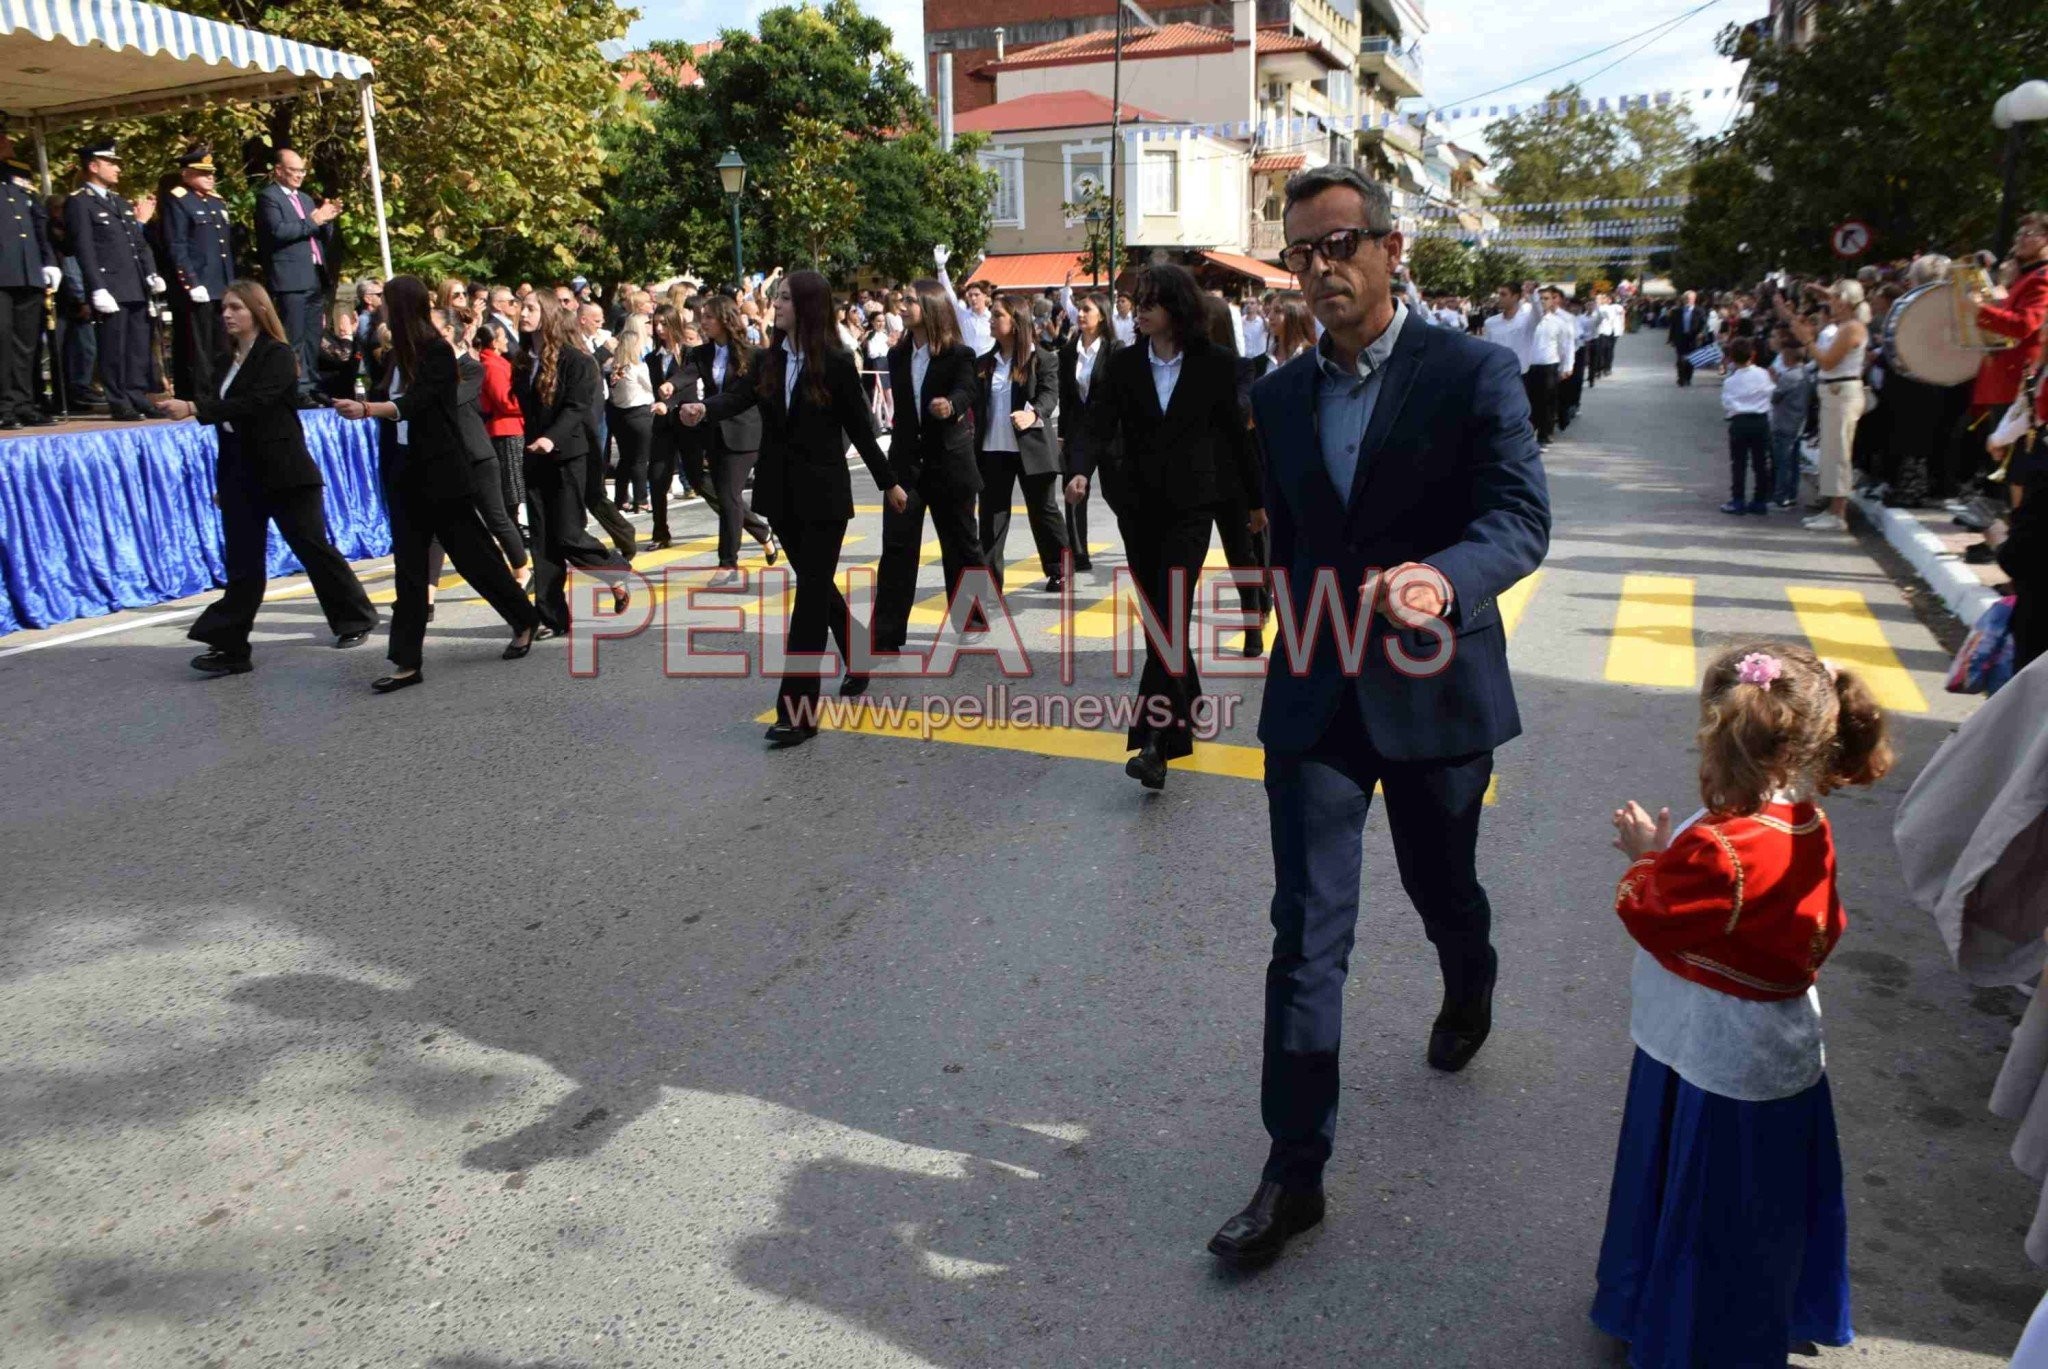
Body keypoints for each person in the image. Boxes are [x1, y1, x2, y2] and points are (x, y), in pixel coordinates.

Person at [1209, 164, 1550, 1268]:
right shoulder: (1274, 396)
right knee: (1305, 935)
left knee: (1438, 885)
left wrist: (1434, 581)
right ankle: (1291, 1170)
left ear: (1391, 249)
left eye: (1339, 244)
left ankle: (1469, 974)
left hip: (1434, 681)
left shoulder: (1474, 372)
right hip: (1316, 692)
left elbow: (1516, 521)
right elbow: (1293, 538)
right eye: (1300, 252)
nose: (1319, 270)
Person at [1595, 642, 1892, 1365]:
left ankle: (1690, 1335)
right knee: (1762, 1201)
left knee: (1705, 1201)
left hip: (1712, 1048)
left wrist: (1645, 854)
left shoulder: (1722, 848)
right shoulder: (1806, 823)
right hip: (1778, 1039)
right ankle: (1772, 1307)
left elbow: (1651, 909)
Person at [682, 269, 906, 745]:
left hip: (824, 496)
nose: (775, 305)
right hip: (781, 497)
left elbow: (862, 429)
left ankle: (797, 712)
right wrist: (704, 410)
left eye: (783, 298)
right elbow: (738, 397)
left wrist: (889, 483)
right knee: (816, 585)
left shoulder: (839, 363)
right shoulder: (768, 359)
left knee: (807, 604)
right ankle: (858, 652)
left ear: (805, 306)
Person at [1089, 262, 1261, 791]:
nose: (1137, 311)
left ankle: (1154, 745)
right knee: (1160, 619)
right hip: (1138, 512)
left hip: (1191, 510)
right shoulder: (1122, 365)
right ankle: (1187, 696)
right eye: (1136, 302)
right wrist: (1077, 473)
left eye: (1148, 303)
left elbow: (1236, 437)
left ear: (1175, 309)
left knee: (1170, 618)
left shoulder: (1216, 363)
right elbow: (1096, 423)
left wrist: (1255, 502)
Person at [333, 276, 541, 691]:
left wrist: (371, 408)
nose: (381, 312)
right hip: (406, 476)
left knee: (474, 557)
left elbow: (420, 403)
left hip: (442, 474)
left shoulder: (437, 352)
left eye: (387, 304)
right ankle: (407, 661)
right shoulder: (395, 356)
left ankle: (523, 618)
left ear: (403, 306)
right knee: (409, 570)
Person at [160, 280, 377, 672]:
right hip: (242, 476)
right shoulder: (225, 363)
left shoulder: (277, 355)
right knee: (243, 563)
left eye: (236, 308)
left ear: (258, 311)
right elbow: (228, 431)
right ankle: (230, 647)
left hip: (285, 471)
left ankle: (355, 618)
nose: (227, 314)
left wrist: (195, 407)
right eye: (225, 307)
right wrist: (224, 482)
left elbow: (255, 404)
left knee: (312, 547)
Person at [869, 278, 987, 663]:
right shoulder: (900, 354)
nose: (901, 306)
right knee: (897, 547)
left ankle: (970, 620)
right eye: (901, 300)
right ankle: (885, 635)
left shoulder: (960, 354)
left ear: (932, 308)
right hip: (907, 465)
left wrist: (950, 406)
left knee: (961, 544)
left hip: (949, 464)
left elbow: (969, 390)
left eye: (910, 301)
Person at [516, 291, 626, 632]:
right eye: (523, 307)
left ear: (548, 314)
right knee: (542, 540)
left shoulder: (576, 361)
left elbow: (577, 408)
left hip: (568, 455)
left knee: (567, 533)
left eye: (532, 307)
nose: (523, 312)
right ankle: (552, 617)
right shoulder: (521, 360)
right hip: (533, 456)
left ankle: (614, 569)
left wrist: (552, 438)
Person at [976, 295, 1066, 593]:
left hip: (1032, 448)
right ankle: (990, 581)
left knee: (1043, 511)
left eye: (997, 315)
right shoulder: (984, 363)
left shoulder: (1043, 358)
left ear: (1015, 322)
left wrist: (1033, 413)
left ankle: (1059, 569)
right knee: (991, 517)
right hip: (993, 450)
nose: (991, 319)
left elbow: (1049, 396)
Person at [64, 139, 158, 420]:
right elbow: (84, 248)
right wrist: (97, 287)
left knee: (138, 345)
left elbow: (138, 242)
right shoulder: (80, 202)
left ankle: (136, 393)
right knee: (114, 347)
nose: (117, 169)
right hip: (110, 286)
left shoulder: (118, 202)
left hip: (135, 282)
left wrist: (151, 271)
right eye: (111, 163)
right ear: (93, 166)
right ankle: (118, 399)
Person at [689, 294, 779, 582]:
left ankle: (727, 564)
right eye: (702, 317)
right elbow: (684, 376)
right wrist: (668, 387)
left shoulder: (753, 354)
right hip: (712, 430)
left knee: (728, 496)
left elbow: (751, 395)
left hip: (743, 433)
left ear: (725, 320)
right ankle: (761, 530)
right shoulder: (700, 353)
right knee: (714, 489)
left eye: (708, 317)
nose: (703, 322)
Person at [1781, 281, 1869, 533]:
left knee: (1839, 452)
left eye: (1834, 299)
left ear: (1845, 302)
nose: (1830, 304)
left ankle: (1838, 512)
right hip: (1834, 393)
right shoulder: (1846, 325)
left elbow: (1827, 362)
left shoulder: (1851, 328)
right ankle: (1832, 508)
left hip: (1842, 392)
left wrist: (1807, 340)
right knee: (1831, 452)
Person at [255, 148, 340, 408]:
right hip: (290, 277)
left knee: (314, 335)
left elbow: (316, 231)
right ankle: (295, 387)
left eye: (303, 170)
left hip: (314, 274)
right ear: (279, 170)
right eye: (294, 170)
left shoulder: (304, 198)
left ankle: (312, 385)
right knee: (294, 337)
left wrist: (328, 219)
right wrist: (315, 220)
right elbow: (279, 232)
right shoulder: (268, 198)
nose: (300, 176)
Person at [160, 144, 233, 399]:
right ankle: (199, 394)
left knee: (221, 343)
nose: (211, 177)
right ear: (187, 174)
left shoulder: (216, 202)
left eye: (212, 172)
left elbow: (224, 248)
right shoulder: (179, 200)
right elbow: (177, 244)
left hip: (220, 283)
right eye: (203, 173)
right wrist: (191, 281)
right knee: (198, 345)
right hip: (199, 284)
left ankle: (220, 389)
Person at [1057, 289, 1122, 575]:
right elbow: (1066, 395)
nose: (1081, 314)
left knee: (1116, 492)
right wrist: (1061, 434)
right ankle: (1078, 554)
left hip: (1109, 434)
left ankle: (1142, 535)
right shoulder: (1069, 350)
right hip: (1077, 432)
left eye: (1088, 310)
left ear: (1103, 316)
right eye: (1080, 309)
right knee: (1072, 491)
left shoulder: (1115, 350)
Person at [0, 132, 59, 428]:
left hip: (27, 272)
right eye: (3, 139)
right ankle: (3, 406)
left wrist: (48, 262)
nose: (8, 144)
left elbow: (39, 223)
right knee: (2, 341)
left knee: (27, 344)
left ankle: (23, 402)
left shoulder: (18, 174)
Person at [473, 318, 526, 552]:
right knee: (511, 486)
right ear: (494, 342)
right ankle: (512, 531)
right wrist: (526, 403)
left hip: (511, 426)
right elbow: (505, 400)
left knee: (513, 485)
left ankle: (514, 528)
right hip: (505, 429)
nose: (507, 340)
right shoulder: (491, 365)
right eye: (503, 337)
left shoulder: (495, 362)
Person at [606, 313, 656, 514]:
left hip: (620, 415)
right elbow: (653, 387)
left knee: (625, 459)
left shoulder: (613, 368)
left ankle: (620, 498)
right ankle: (641, 499)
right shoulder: (638, 367)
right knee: (640, 459)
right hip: (640, 414)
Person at [1720, 337, 1775, 515]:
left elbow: (1727, 403)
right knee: (1760, 462)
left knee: (1739, 463)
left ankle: (1738, 500)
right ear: (1753, 355)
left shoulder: (1730, 381)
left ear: (1732, 358)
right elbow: (1770, 393)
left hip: (1739, 421)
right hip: (1760, 420)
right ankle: (1760, 500)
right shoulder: (1763, 374)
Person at [1769, 339, 1816, 511]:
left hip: (1784, 423)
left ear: (1788, 357)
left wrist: (1775, 381)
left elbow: (1775, 397)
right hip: (1799, 423)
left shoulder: (1788, 377)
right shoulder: (1806, 374)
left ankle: (1781, 498)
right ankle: (1792, 495)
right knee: (1794, 463)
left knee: (1782, 463)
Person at [933, 244, 994, 356]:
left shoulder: (992, 318)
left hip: (987, 364)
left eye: (977, 295)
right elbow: (949, 294)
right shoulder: (963, 315)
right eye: (970, 295)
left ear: (985, 296)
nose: (973, 298)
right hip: (968, 362)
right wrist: (941, 268)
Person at [1668, 289, 1708, 387]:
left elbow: (1704, 325)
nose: (1687, 300)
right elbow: (1673, 326)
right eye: (1685, 298)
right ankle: (1681, 378)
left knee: (1691, 360)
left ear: (1694, 299)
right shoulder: (1677, 311)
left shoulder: (1700, 311)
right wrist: (1671, 339)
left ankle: (1688, 377)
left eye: (1689, 298)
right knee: (1680, 359)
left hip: (1693, 338)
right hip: (1680, 338)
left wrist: (1702, 333)